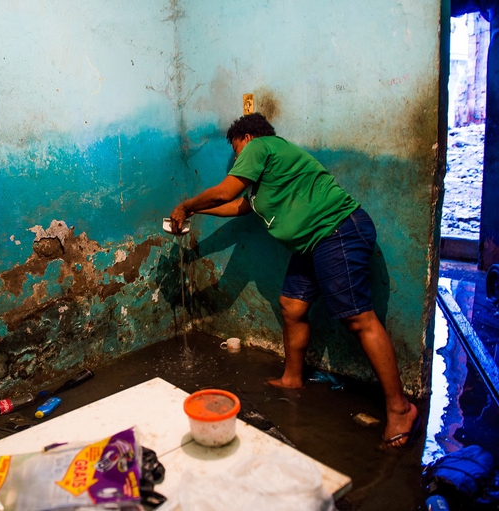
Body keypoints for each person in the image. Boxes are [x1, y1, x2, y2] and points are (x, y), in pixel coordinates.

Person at [169, 113, 419, 448]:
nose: (239, 158)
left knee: (358, 317)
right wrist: (196, 212)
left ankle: (400, 408)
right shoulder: (269, 176)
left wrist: (186, 204)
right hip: (313, 241)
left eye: (237, 151)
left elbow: (223, 192)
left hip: (337, 230)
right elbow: (238, 206)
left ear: (247, 137)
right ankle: (292, 378)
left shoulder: (261, 146)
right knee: (292, 305)